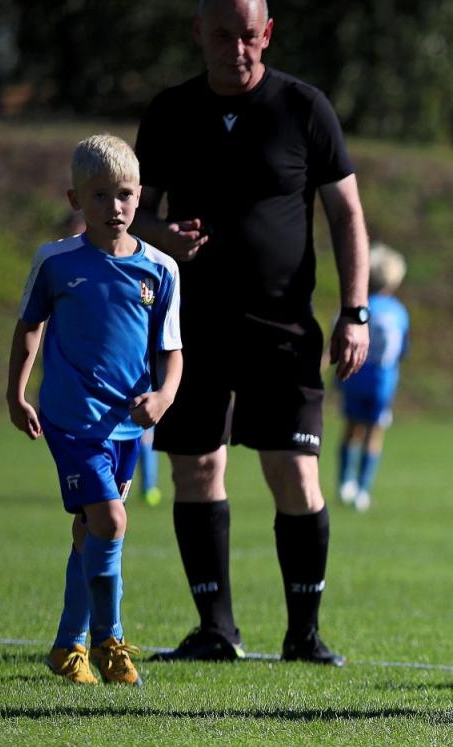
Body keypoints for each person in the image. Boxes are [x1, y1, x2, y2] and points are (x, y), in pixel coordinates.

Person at [132, 0, 369, 666]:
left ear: (267, 34)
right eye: (221, 35)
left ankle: (305, 634)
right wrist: (160, 236)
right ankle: (215, 629)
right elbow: (133, 212)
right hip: (191, 326)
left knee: (293, 472)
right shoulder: (170, 112)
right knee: (196, 467)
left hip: (283, 328)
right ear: (198, 35)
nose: (236, 48)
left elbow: (345, 214)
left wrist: (356, 312)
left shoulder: (303, 108)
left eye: (247, 35)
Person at [5, 133, 183, 686]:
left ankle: (66, 647)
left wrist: (164, 395)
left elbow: (171, 351)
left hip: (126, 425)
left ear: (141, 196)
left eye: (126, 194)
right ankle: (110, 642)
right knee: (111, 520)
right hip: (71, 420)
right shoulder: (56, 262)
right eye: (101, 195)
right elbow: (30, 328)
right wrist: (16, 393)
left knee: (90, 535)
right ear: (74, 199)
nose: (116, 207)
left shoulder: (161, 269)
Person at [337, 243, 409, 512]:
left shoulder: (358, 306)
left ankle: (345, 483)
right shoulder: (398, 311)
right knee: (374, 433)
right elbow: (401, 349)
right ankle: (363, 489)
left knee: (351, 429)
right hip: (382, 381)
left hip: (353, 375)